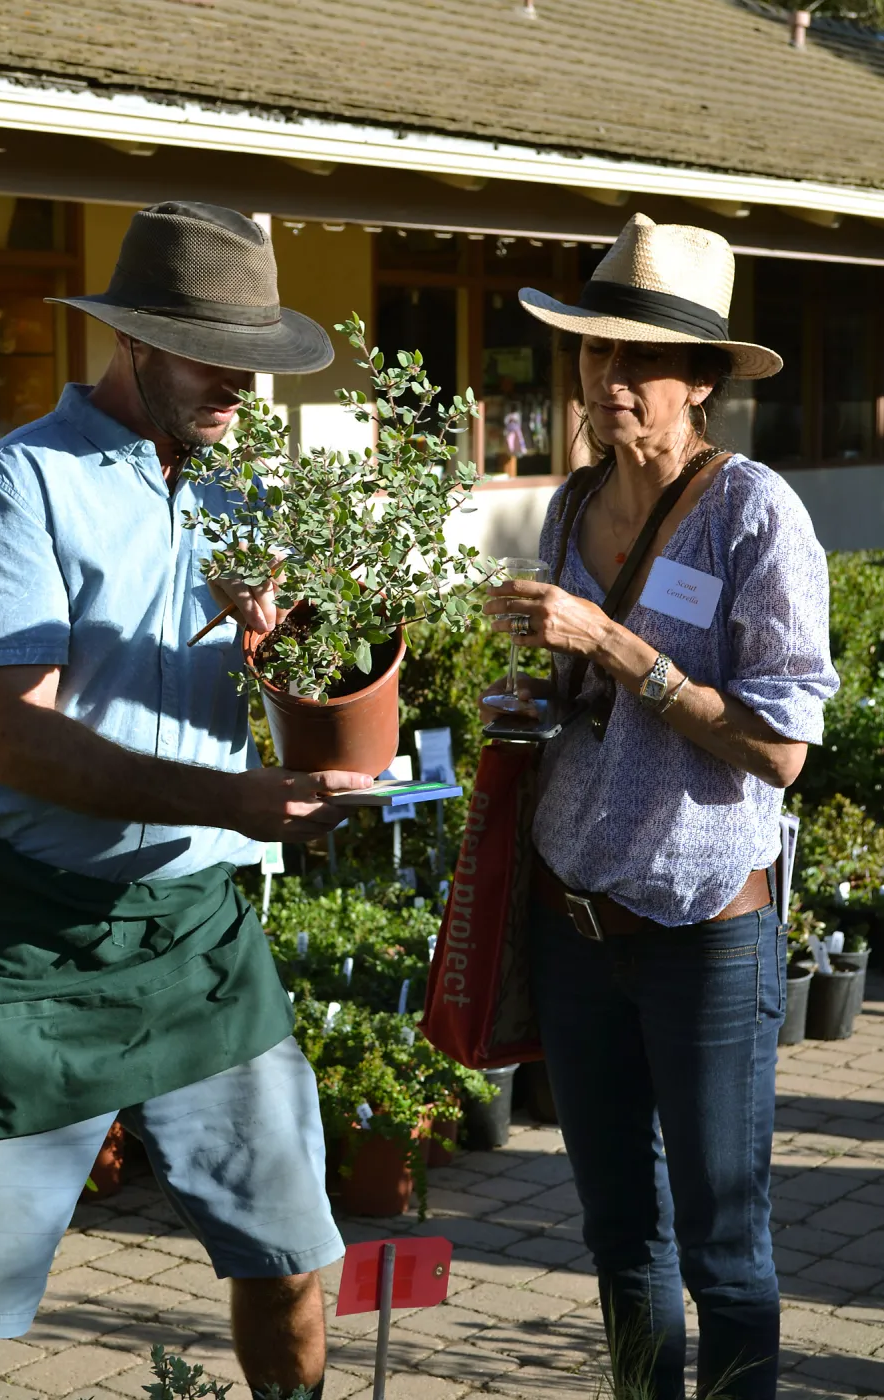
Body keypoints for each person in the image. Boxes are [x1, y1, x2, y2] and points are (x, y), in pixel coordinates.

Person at [0, 201, 374, 1399]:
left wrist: (295, 647)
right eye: (212, 351)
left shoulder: (242, 486)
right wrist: (237, 797)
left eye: (255, 355)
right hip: (35, 934)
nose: (242, 380)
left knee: (293, 1251)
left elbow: (307, 672)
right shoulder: (20, 485)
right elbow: (16, 739)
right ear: (133, 340)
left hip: (197, 933)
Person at [482, 213, 838, 1400]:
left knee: (725, 1251)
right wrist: (532, 687)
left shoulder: (756, 514)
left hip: (704, 936)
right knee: (620, 1240)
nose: (611, 378)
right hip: (573, 922)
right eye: (595, 352)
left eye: (640, 358)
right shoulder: (572, 505)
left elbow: (780, 747)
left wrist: (617, 647)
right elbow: (582, 693)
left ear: (701, 384)